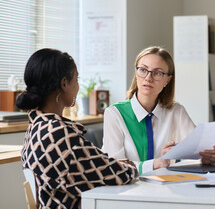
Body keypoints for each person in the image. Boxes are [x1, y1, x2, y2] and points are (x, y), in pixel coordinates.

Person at [17, 48, 138, 209]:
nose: (78, 85)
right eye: (76, 79)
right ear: (65, 83)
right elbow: (123, 175)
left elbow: (83, 168)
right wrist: (128, 166)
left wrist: (110, 165)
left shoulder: (36, 128)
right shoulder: (60, 135)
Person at [102, 46, 215, 174]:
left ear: (167, 80)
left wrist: (209, 156)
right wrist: (156, 163)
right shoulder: (114, 113)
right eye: (143, 70)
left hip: (165, 188)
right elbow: (114, 166)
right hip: (127, 189)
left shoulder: (176, 111)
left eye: (157, 73)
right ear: (136, 73)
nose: (148, 78)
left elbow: (199, 147)